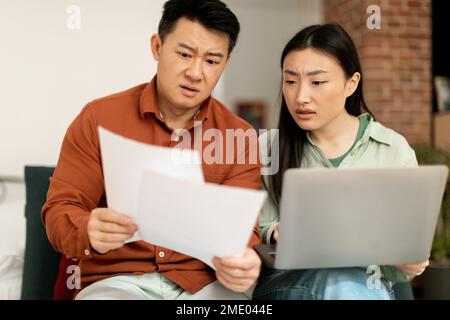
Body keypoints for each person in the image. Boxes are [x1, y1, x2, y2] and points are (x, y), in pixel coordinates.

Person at [42, 0, 262, 300]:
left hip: (205, 286)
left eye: (212, 60)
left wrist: (244, 260)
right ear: (157, 47)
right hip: (117, 283)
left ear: (226, 63)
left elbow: (242, 232)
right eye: (184, 54)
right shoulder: (98, 119)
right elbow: (61, 209)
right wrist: (87, 229)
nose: (196, 72)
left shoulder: (241, 137)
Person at [253, 24, 429, 300]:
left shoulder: (393, 150)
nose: (301, 97)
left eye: (317, 82)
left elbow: (401, 268)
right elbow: (252, 231)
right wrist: (273, 231)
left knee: (348, 282)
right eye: (290, 81)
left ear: (351, 83)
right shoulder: (265, 149)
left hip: (371, 286)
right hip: (288, 284)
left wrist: (407, 262)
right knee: (339, 280)